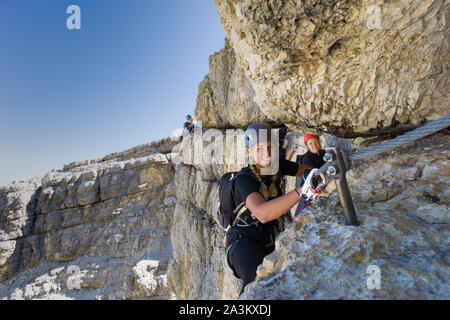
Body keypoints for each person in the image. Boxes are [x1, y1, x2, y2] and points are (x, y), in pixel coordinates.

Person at [226, 123, 312, 295]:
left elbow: (306, 171)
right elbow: (262, 213)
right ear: (249, 152)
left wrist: (320, 171)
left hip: (270, 237)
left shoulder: (276, 165)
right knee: (255, 279)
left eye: (270, 147)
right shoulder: (244, 179)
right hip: (243, 242)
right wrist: (301, 191)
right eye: (259, 149)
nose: (267, 154)